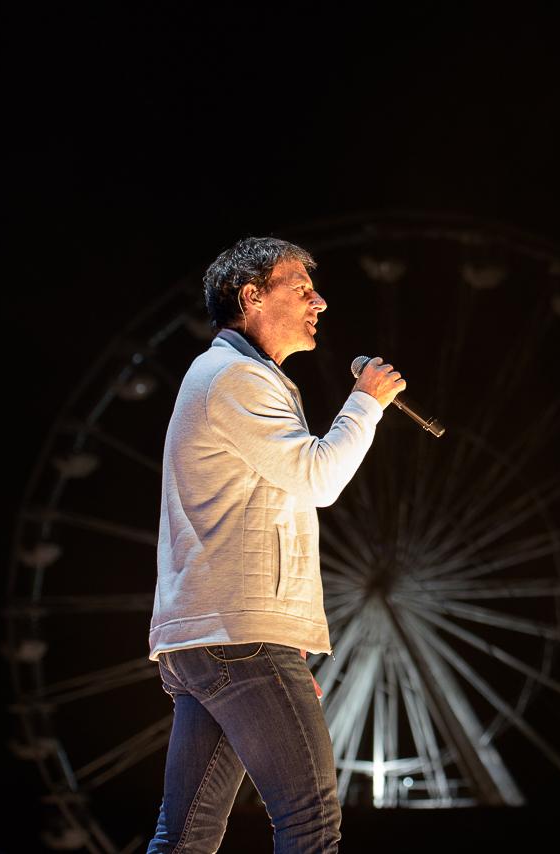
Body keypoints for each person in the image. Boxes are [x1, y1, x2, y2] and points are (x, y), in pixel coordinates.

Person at [146, 236, 405, 852]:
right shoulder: (236, 377)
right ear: (251, 297)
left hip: (212, 639)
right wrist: (365, 404)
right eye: (301, 288)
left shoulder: (224, 375)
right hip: (243, 636)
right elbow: (318, 478)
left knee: (185, 836)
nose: (319, 301)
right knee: (309, 823)